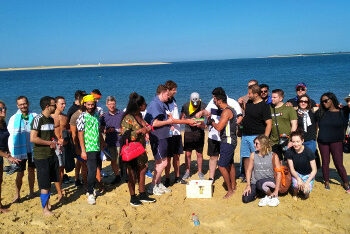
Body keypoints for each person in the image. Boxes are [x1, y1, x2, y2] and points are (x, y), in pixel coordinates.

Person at [145, 85, 196, 195]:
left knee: (160, 162)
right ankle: (152, 186)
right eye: (167, 95)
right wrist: (168, 122)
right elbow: (153, 123)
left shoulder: (162, 103)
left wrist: (184, 121)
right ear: (162, 93)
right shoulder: (155, 104)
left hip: (164, 136)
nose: (169, 97)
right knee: (162, 163)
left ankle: (158, 184)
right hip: (158, 137)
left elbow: (170, 118)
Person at [195, 87, 242, 181]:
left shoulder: (232, 103)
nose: (213, 99)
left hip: (226, 137)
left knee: (229, 161)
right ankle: (211, 177)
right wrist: (201, 112)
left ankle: (229, 180)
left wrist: (231, 126)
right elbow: (207, 111)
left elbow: (239, 117)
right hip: (213, 134)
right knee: (213, 157)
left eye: (214, 97)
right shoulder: (212, 102)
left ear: (219, 98)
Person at [120, 92, 156, 206]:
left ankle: (142, 193)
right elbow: (124, 134)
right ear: (138, 106)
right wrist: (140, 131)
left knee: (143, 169)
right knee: (131, 172)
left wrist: (148, 128)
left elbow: (145, 125)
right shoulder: (128, 118)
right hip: (131, 149)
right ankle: (133, 196)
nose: (146, 105)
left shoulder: (139, 115)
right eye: (144, 104)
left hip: (140, 148)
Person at [30, 96, 61, 216]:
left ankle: (47, 205)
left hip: (51, 154)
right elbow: (33, 138)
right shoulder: (38, 119)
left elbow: (51, 134)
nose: (56, 107)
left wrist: (57, 140)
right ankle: (45, 210)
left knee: (50, 180)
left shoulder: (50, 120)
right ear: (47, 106)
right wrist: (50, 143)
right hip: (41, 156)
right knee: (44, 184)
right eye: (54, 105)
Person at [316, 92, 349, 192]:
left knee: (338, 163)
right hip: (323, 141)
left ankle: (346, 183)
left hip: (337, 141)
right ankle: (326, 182)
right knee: (325, 162)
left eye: (326, 101)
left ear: (332, 100)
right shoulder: (320, 112)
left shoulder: (342, 111)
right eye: (322, 102)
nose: (324, 103)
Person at [77, 95, 107, 204]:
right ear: (84, 104)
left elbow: (98, 131)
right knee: (92, 170)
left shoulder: (96, 115)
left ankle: (92, 189)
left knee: (97, 168)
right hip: (89, 147)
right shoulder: (82, 117)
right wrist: (83, 150)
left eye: (92, 104)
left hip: (97, 147)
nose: (90, 106)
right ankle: (90, 193)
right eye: (88, 104)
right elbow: (80, 134)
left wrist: (102, 142)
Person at [207, 92, 238, 198]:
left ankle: (230, 190)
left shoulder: (226, 112)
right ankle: (233, 185)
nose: (214, 101)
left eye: (215, 100)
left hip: (228, 141)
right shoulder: (231, 108)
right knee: (230, 164)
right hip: (231, 140)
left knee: (221, 165)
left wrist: (211, 122)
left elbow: (219, 127)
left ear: (219, 100)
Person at [7, 96, 37, 203]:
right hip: (19, 150)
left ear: (28, 103)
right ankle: (17, 194)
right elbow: (10, 136)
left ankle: (32, 192)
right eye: (20, 104)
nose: (23, 106)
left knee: (32, 171)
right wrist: (10, 152)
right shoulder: (13, 118)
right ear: (17, 106)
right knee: (20, 173)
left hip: (33, 149)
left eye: (24, 103)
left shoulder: (34, 116)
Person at [240, 85, 272, 179]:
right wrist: (241, 104)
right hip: (245, 135)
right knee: (245, 157)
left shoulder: (264, 106)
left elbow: (269, 123)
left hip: (256, 135)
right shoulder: (249, 103)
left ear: (256, 94)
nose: (248, 95)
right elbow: (248, 113)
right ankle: (247, 176)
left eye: (250, 93)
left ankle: (258, 177)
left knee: (257, 158)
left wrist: (264, 139)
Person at [242, 135, 281, 206]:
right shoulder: (253, 155)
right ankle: (261, 193)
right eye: (254, 143)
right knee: (246, 199)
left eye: (256, 143)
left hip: (269, 181)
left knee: (260, 183)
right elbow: (249, 171)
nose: (254, 145)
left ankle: (273, 196)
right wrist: (248, 185)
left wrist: (276, 190)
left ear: (263, 144)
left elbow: (279, 173)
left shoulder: (273, 155)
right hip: (255, 182)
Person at [0, 101, 21, 213]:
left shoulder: (3, 123)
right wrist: (8, 156)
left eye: (5, 108)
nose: (4, 110)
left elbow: (4, 140)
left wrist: (9, 153)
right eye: (1, 109)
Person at [181, 92, 206, 182]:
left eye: (197, 103)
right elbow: (182, 119)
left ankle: (200, 171)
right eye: (193, 102)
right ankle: (187, 171)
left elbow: (207, 116)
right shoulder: (185, 106)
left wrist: (201, 123)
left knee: (199, 153)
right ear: (190, 100)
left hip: (199, 132)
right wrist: (188, 121)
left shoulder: (203, 105)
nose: (195, 104)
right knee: (188, 153)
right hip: (188, 132)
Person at [286, 131, 317, 200]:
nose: (295, 144)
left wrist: (307, 182)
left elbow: (314, 170)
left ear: (302, 141)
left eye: (298, 141)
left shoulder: (309, 152)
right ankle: (295, 193)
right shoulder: (289, 152)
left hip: (308, 174)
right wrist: (298, 179)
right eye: (293, 142)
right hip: (297, 173)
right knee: (296, 185)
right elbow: (292, 169)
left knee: (306, 191)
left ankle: (305, 192)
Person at [164, 80, 183, 187]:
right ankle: (167, 178)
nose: (176, 92)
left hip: (177, 133)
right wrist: (187, 121)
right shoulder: (164, 103)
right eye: (174, 90)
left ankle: (177, 177)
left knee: (177, 156)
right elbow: (172, 120)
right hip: (168, 134)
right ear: (168, 90)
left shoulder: (173, 100)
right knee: (168, 158)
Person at [100, 96, 123, 184]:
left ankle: (124, 175)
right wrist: (106, 131)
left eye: (113, 104)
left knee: (122, 160)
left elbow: (125, 127)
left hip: (120, 141)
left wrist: (118, 130)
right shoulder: (104, 116)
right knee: (113, 160)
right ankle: (117, 176)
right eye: (110, 104)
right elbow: (101, 129)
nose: (112, 106)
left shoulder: (121, 114)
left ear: (115, 104)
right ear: (106, 105)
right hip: (110, 142)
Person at [270, 89, 298, 160]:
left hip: (286, 140)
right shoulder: (269, 108)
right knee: (276, 162)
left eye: (274, 97)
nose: (272, 99)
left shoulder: (289, 108)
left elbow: (294, 125)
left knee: (289, 161)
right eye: (271, 97)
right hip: (273, 141)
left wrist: (292, 140)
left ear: (281, 98)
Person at [51, 96, 69, 201]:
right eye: (62, 104)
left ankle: (60, 187)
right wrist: (57, 140)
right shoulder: (51, 117)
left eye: (65, 103)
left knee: (62, 167)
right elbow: (48, 131)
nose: (64, 105)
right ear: (56, 105)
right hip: (54, 144)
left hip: (63, 145)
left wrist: (65, 139)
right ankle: (58, 190)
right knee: (56, 167)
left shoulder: (65, 117)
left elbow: (68, 130)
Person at [69, 95, 87, 187]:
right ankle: (80, 180)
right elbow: (74, 134)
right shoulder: (75, 115)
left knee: (81, 162)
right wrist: (76, 147)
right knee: (82, 162)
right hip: (79, 143)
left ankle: (78, 179)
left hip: (88, 142)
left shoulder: (89, 113)